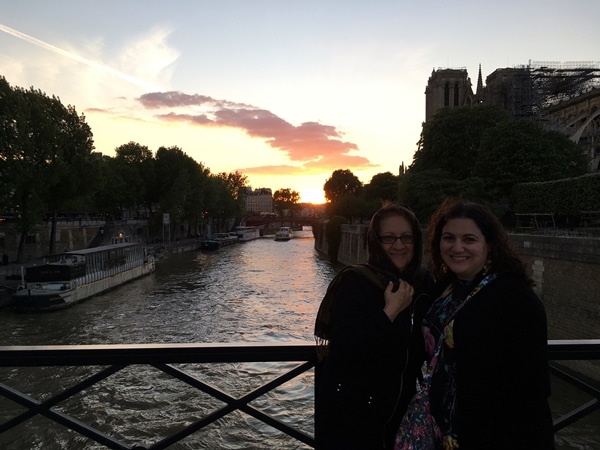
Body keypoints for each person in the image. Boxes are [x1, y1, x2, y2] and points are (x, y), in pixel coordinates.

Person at [396, 199, 555, 449]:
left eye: (469, 239)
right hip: (442, 429)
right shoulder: (444, 288)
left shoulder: (514, 297)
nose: (457, 247)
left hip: (490, 435)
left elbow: (532, 390)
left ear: (489, 244)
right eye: (448, 238)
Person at [314, 203, 434, 450]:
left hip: (404, 415)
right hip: (354, 418)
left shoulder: (423, 282)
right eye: (388, 238)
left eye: (406, 237)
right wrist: (389, 312)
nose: (399, 245)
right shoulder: (355, 282)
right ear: (375, 241)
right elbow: (344, 348)